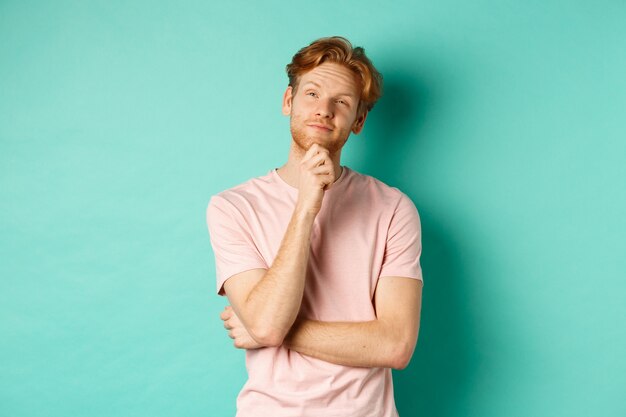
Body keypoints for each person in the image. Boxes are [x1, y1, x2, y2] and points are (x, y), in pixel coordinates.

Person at [206, 36, 423, 417]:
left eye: (341, 102)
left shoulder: (393, 208)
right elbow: (265, 324)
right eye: (311, 94)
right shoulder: (233, 207)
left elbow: (395, 346)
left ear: (358, 120)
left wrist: (268, 327)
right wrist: (308, 203)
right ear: (288, 101)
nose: (323, 110)